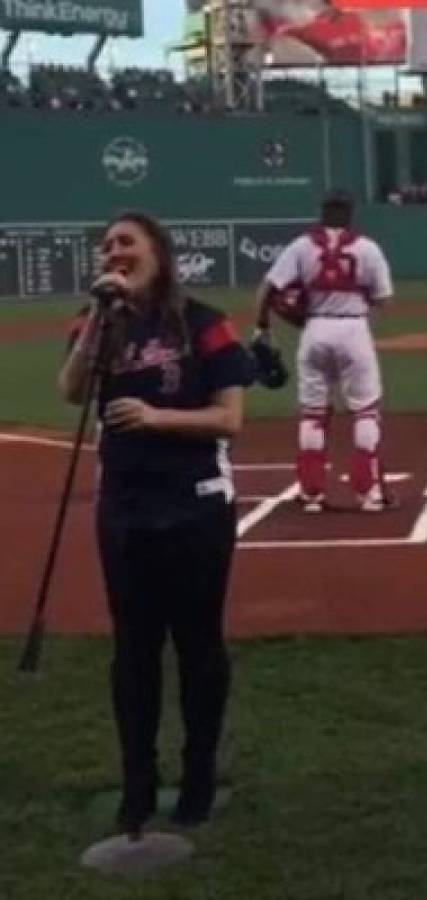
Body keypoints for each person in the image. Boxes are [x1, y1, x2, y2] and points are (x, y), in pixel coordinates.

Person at [58, 211, 254, 837]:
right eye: (107, 245)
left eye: (127, 243)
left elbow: (229, 421)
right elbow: (71, 391)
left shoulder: (204, 323)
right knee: (133, 652)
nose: (114, 252)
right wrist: (96, 320)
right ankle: (137, 783)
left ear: (159, 254)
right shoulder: (97, 324)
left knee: (198, 645)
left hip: (195, 504)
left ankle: (198, 776)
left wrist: (155, 417)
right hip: (124, 509)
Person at [253, 189, 395, 513]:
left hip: (314, 329)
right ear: (350, 214)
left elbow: (267, 291)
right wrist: (359, 310)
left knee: (313, 413)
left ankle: (312, 493)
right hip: (354, 328)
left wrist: (263, 327)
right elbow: (385, 299)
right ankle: (369, 493)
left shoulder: (301, 246)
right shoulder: (368, 248)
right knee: (365, 410)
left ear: (322, 213)